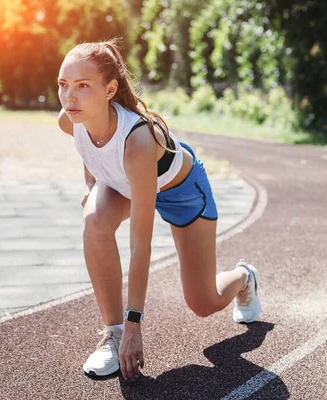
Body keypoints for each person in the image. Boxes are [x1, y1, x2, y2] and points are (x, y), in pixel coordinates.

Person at [56, 39, 262, 381]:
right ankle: (113, 334)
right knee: (93, 219)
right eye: (64, 85)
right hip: (126, 183)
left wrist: (135, 320)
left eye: (82, 86)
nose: (70, 97)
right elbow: (87, 149)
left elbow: (141, 246)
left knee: (203, 303)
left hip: (179, 190)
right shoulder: (70, 119)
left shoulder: (137, 141)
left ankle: (244, 276)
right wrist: (90, 186)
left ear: (109, 90)